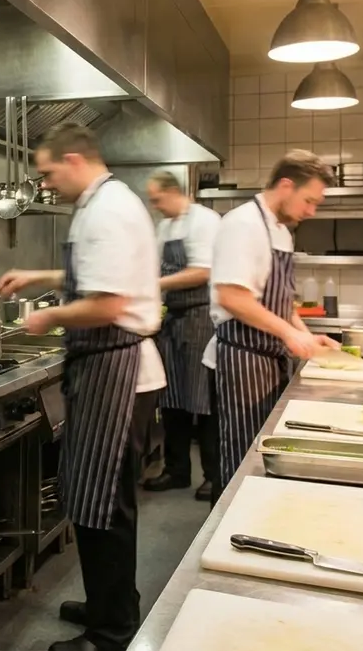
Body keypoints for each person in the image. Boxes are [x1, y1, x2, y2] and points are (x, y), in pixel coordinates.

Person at [0, 122, 163, 651]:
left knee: (108, 506)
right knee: (94, 501)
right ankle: (110, 602)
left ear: (73, 159)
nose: (45, 183)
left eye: (47, 172)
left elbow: (108, 304)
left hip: (117, 372)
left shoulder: (108, 211)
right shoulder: (102, 203)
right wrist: (41, 278)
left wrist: (45, 320)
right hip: (105, 369)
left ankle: (111, 632)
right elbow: (95, 276)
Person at [204, 150, 339, 504]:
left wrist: (305, 334)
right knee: (241, 456)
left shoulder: (281, 231)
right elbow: (233, 297)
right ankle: (227, 533)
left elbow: (277, 300)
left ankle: (256, 514)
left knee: (264, 452)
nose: (311, 211)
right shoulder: (243, 224)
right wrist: (289, 333)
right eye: (309, 200)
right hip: (242, 359)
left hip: (269, 358)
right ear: (285, 185)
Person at [141, 171, 220, 502]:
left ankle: (214, 477)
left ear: (174, 192)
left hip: (202, 317)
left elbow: (203, 272)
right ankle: (177, 471)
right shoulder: (164, 227)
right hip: (172, 320)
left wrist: (155, 285)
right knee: (171, 402)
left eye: (158, 199)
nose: (155, 206)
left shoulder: (205, 221)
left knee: (203, 403)